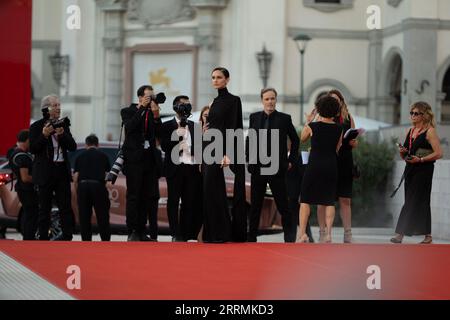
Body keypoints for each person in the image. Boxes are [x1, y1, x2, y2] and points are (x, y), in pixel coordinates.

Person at [246, 88, 299, 243]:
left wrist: (291, 161)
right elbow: (250, 139)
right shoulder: (254, 117)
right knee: (255, 205)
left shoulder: (284, 118)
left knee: (283, 206)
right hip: (258, 168)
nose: (270, 101)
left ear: (276, 100)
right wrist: (249, 159)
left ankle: (289, 238)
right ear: (262, 100)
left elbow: (295, 140)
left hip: (277, 168)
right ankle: (251, 238)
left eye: (273, 98)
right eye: (267, 99)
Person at [202, 67, 247, 243]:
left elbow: (234, 127)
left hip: (221, 150)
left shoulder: (234, 100)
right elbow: (213, 124)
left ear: (227, 79)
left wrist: (228, 153)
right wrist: (205, 129)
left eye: (219, 77)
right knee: (210, 191)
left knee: (214, 190)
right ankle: (213, 234)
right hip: (208, 147)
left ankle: (220, 234)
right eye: (213, 77)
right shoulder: (213, 102)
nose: (215, 80)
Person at [391, 102, 442, 244]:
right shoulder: (410, 130)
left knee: (411, 202)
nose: (413, 116)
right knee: (419, 201)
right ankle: (428, 235)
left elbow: (439, 153)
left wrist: (420, 160)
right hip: (411, 169)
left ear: (424, 115)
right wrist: (402, 152)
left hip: (423, 170)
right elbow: (407, 155)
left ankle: (399, 234)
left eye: (416, 113)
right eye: (411, 113)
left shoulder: (430, 131)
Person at [29, 94, 77, 241]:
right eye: (55, 105)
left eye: (59, 105)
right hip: (45, 171)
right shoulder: (36, 126)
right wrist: (44, 135)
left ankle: (67, 236)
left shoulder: (63, 124)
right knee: (44, 207)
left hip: (61, 170)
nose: (58, 108)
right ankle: (43, 237)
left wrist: (63, 135)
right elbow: (33, 149)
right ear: (46, 108)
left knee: (65, 206)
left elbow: (73, 147)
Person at [297, 95, 343, 243]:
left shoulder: (313, 126)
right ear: (335, 111)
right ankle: (328, 234)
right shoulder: (338, 128)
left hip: (314, 165)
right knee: (329, 201)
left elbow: (302, 138)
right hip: (330, 165)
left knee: (305, 199)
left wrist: (308, 121)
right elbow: (338, 148)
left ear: (319, 109)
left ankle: (302, 234)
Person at [121, 85, 162, 241]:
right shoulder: (128, 111)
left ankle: (142, 230)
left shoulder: (152, 113)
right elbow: (130, 127)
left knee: (146, 196)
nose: (151, 99)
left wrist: (157, 116)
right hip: (134, 160)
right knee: (133, 196)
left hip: (149, 159)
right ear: (139, 97)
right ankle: (132, 231)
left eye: (152, 96)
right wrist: (142, 108)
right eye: (148, 96)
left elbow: (159, 135)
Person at [317, 89, 358, 243]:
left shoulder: (348, 118)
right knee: (324, 199)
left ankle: (348, 234)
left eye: (337, 100)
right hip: (328, 160)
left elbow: (355, 141)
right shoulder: (323, 118)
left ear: (341, 102)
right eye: (332, 100)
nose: (335, 102)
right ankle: (324, 233)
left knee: (345, 199)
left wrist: (353, 142)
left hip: (345, 160)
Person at [160, 95, 202, 241]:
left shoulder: (195, 126)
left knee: (189, 201)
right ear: (175, 107)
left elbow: (199, 147)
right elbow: (164, 147)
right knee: (173, 201)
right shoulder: (166, 125)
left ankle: (186, 233)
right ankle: (175, 233)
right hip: (174, 168)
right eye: (183, 105)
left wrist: (190, 148)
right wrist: (177, 136)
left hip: (191, 168)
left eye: (188, 105)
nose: (186, 108)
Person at [73, 134, 111, 241]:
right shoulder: (103, 156)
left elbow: (76, 177)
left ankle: (86, 240)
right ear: (97, 144)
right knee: (102, 214)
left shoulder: (79, 156)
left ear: (86, 144)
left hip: (83, 185)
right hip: (98, 185)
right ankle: (105, 239)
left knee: (84, 216)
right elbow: (107, 176)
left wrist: (78, 190)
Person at [8, 130, 39, 240]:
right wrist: (39, 179)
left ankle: (28, 237)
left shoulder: (13, 152)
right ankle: (29, 238)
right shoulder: (23, 157)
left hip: (21, 189)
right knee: (32, 214)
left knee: (28, 213)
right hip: (27, 190)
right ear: (27, 140)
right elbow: (25, 177)